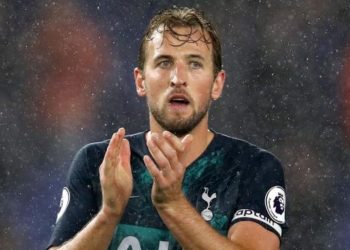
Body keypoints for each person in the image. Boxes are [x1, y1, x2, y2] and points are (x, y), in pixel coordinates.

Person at [47, 6, 287, 250]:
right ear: (141, 81)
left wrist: (173, 205)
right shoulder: (99, 163)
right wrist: (109, 213)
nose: (178, 78)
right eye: (164, 63)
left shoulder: (251, 168)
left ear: (217, 84)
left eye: (194, 64)